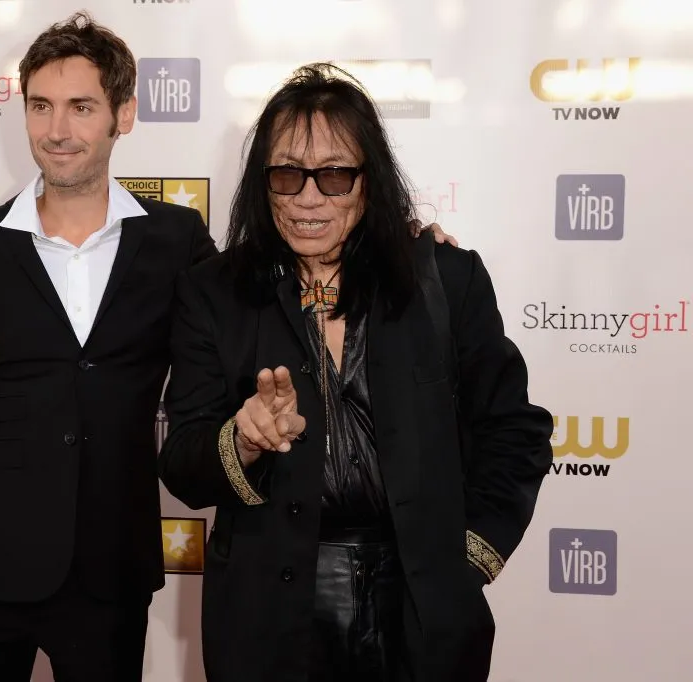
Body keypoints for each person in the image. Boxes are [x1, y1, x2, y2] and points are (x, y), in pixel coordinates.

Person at [0, 13, 454, 681]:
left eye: (81, 107)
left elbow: (272, 279)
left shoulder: (175, 240)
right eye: (40, 106)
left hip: (110, 572)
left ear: (123, 114)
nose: (57, 130)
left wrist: (399, 241)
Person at [157, 62, 554, 682]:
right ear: (263, 183)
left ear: (369, 181)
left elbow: (515, 432)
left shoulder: (446, 279)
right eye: (287, 174)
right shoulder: (215, 293)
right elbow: (182, 460)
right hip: (268, 619)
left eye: (336, 175)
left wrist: (468, 558)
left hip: (421, 611)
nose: (309, 197)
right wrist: (243, 439)